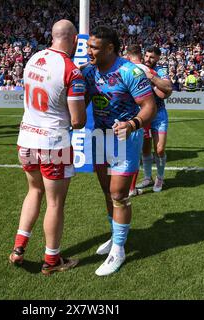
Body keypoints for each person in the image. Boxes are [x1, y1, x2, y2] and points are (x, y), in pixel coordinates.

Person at [9, 20, 87, 275]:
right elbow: (77, 121)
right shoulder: (71, 71)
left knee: (33, 191)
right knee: (55, 204)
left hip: (26, 138)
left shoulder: (34, 58)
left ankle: (19, 249)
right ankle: (52, 261)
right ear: (74, 40)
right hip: (54, 142)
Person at [81, 26, 157, 276]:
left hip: (126, 137)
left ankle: (119, 250)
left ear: (110, 48)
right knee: (106, 191)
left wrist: (132, 123)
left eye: (93, 47)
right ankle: (115, 237)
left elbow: (149, 106)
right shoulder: (89, 72)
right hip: (100, 136)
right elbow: (81, 103)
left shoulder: (129, 71)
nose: (88, 50)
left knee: (119, 193)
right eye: (88, 46)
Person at [126, 45, 172, 195]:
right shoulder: (137, 69)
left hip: (158, 114)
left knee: (159, 149)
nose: (148, 59)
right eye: (146, 56)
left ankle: (160, 177)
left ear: (158, 58)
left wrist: (151, 77)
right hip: (144, 114)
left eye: (152, 57)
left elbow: (167, 89)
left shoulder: (160, 71)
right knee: (144, 149)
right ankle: (147, 177)